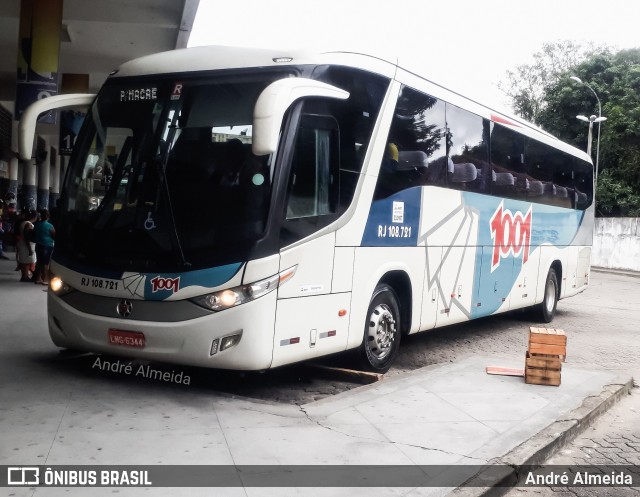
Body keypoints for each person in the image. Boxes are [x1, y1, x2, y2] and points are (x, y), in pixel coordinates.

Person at [33, 209, 55, 285]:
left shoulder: (37, 224)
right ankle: (45, 279)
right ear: (48, 216)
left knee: (39, 262)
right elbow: (54, 236)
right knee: (46, 263)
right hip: (47, 245)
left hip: (38, 245)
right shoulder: (50, 226)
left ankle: (38, 278)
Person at [16, 210, 37, 282]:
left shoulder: (23, 223)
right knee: (27, 261)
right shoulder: (28, 224)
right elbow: (26, 236)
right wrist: (30, 249)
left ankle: (24, 276)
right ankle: (25, 277)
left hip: (22, 243)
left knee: (24, 260)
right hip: (27, 245)